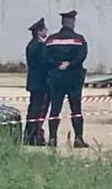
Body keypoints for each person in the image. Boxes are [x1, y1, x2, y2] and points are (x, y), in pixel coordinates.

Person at [44, 10, 90, 148]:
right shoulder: (79, 39)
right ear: (72, 22)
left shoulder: (51, 39)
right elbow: (82, 56)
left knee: (55, 109)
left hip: (57, 78)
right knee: (76, 109)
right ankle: (78, 139)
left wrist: (58, 64)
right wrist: (70, 64)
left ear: (62, 23)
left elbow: (45, 57)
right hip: (74, 79)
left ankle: (52, 139)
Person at [23, 17, 50, 146]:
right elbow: (43, 63)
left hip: (34, 82)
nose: (46, 31)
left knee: (33, 108)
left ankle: (30, 134)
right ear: (39, 32)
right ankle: (33, 135)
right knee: (37, 109)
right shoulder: (38, 46)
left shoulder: (32, 44)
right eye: (44, 29)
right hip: (40, 82)